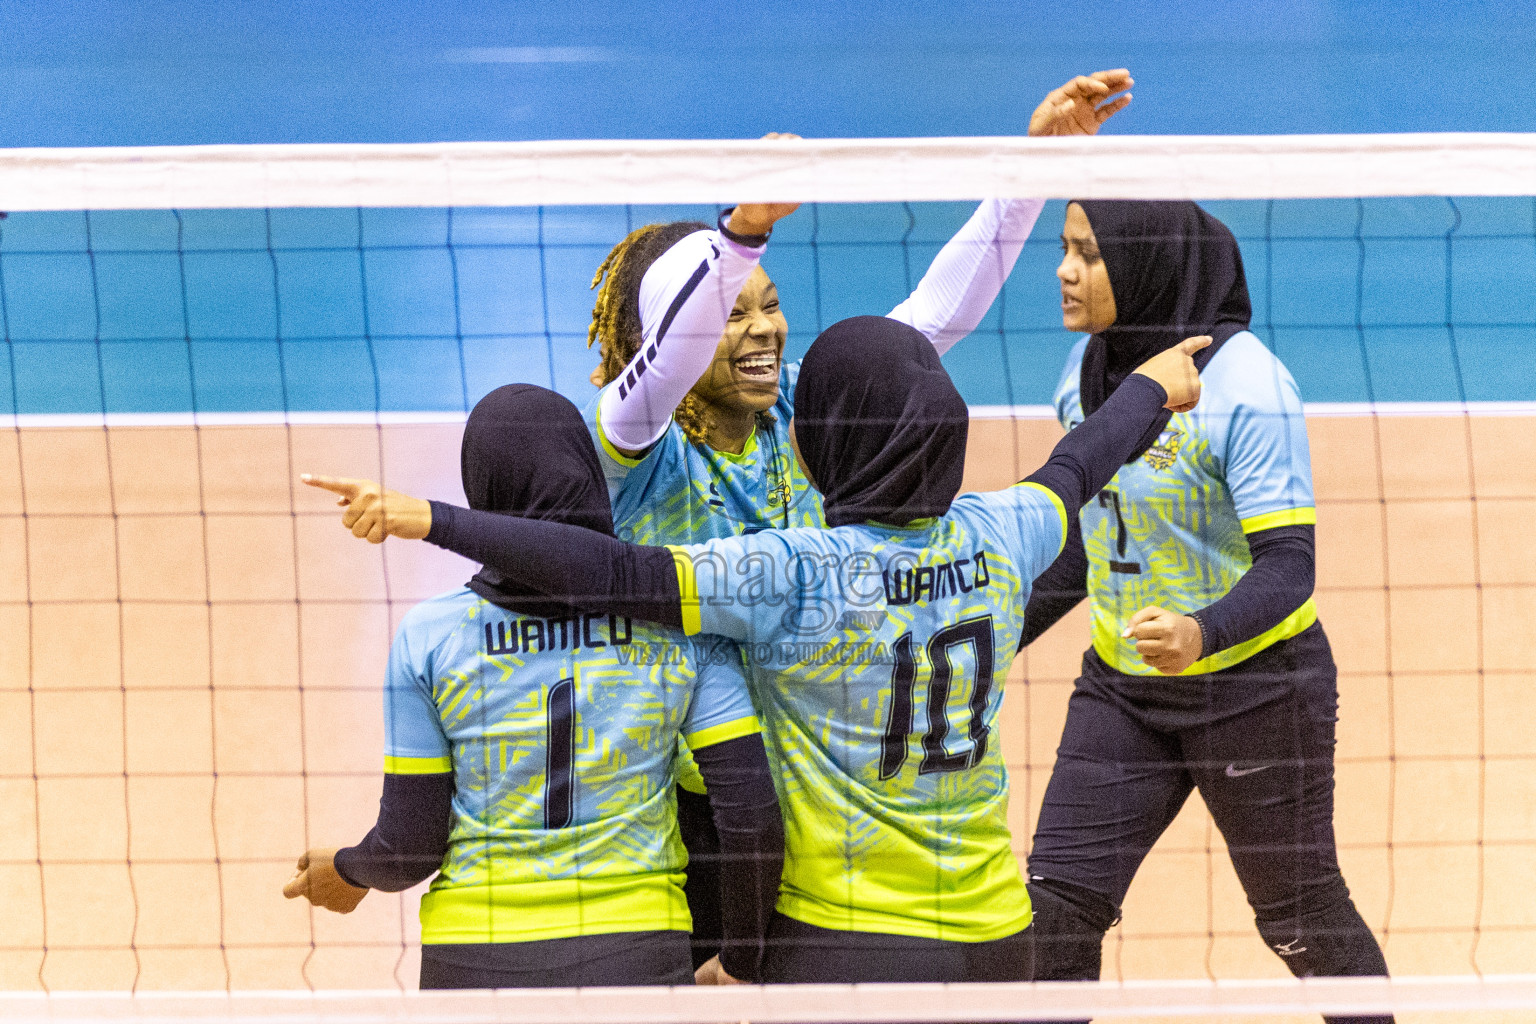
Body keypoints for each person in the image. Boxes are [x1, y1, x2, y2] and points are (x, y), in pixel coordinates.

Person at [302, 314, 1208, 985]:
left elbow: (614, 575)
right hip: (995, 934)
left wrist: (437, 521)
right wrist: (1150, 391)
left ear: (824, 445)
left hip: (842, 942)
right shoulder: (1009, 530)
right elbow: (1078, 463)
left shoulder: (788, 571)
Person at [584, 70, 1131, 967]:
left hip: (821, 780)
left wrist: (1030, 169)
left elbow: (936, 317)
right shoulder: (636, 446)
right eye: (731, 312)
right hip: (694, 799)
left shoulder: (801, 404)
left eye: (769, 305)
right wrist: (742, 233)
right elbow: (665, 364)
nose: (762, 330)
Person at [1019, 200, 1392, 1024]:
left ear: (1144, 262)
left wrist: (1201, 631)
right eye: (1064, 249)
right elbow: (1092, 544)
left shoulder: (1248, 382)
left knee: (1301, 920)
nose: (1064, 270)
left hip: (1257, 693)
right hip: (1121, 694)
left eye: (1088, 254)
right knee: (1053, 915)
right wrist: (996, 629)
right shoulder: (1083, 374)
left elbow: (1290, 566)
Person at [283, 385, 782, 989]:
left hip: (474, 959)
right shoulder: (681, 628)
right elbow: (750, 814)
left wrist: (350, 871)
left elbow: (410, 846)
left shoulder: (432, 638)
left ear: (483, 496)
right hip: (634, 949)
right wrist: (742, 959)